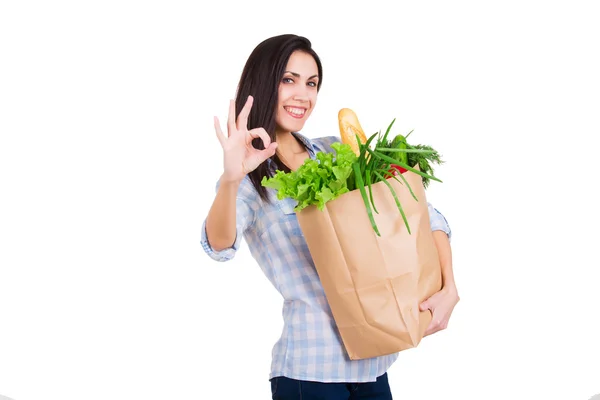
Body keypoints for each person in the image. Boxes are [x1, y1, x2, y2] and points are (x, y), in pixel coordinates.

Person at [200, 34, 459, 400]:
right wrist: (231, 178)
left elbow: (421, 214)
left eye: (312, 83)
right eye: (288, 80)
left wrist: (449, 288)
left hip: (375, 363)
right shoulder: (246, 179)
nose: (302, 95)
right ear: (262, 83)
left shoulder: (335, 151)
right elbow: (218, 245)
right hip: (310, 371)